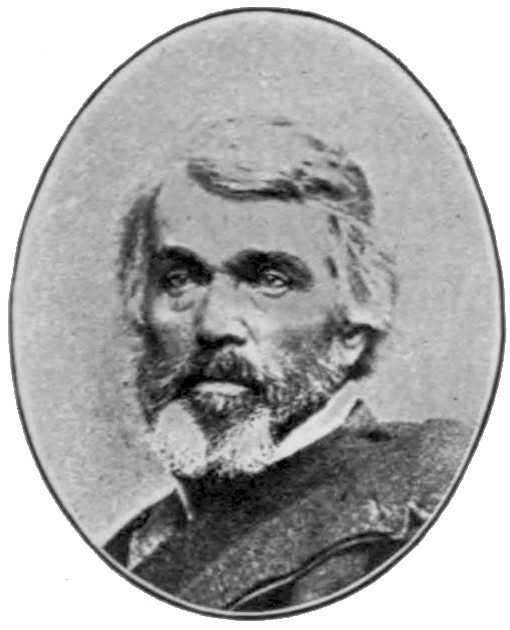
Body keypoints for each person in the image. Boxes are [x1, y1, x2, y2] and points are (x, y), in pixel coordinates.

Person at [104, 116, 470, 613]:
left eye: (270, 281)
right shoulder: (127, 550)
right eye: (180, 279)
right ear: (140, 305)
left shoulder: (420, 502)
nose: (213, 324)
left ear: (351, 328)